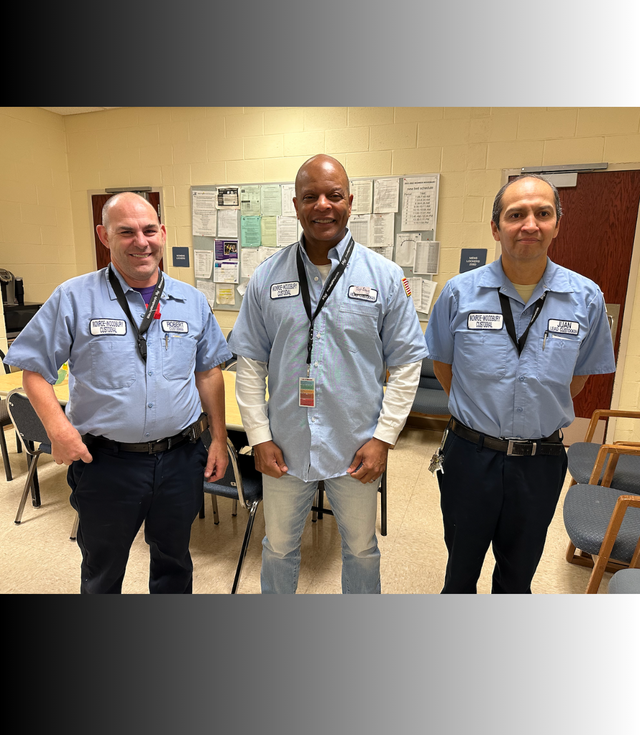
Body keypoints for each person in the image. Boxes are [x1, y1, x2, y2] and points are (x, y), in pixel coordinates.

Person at [4, 192, 232, 593]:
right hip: (107, 464)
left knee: (175, 563)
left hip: (181, 460)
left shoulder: (192, 302)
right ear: (104, 236)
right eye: (125, 232)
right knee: (103, 570)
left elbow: (208, 372)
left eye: (148, 230)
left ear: (162, 233)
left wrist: (218, 438)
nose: (140, 242)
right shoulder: (75, 298)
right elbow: (34, 371)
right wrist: (59, 431)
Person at [229, 155, 428, 593]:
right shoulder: (266, 277)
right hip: (284, 446)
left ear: (350, 202)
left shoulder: (387, 277)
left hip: (357, 446)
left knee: (360, 549)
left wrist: (384, 439)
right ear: (296, 205)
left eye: (333, 195)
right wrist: (259, 438)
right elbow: (250, 365)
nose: (323, 205)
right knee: (279, 547)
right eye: (310, 197)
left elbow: (408, 364)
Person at [425, 175, 616, 593]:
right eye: (516, 215)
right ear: (496, 228)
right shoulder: (459, 294)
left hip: (540, 460)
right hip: (470, 456)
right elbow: (444, 367)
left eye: (542, 213)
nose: (530, 224)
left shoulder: (586, 298)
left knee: (517, 580)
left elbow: (577, 379)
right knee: (459, 576)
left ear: (556, 225)